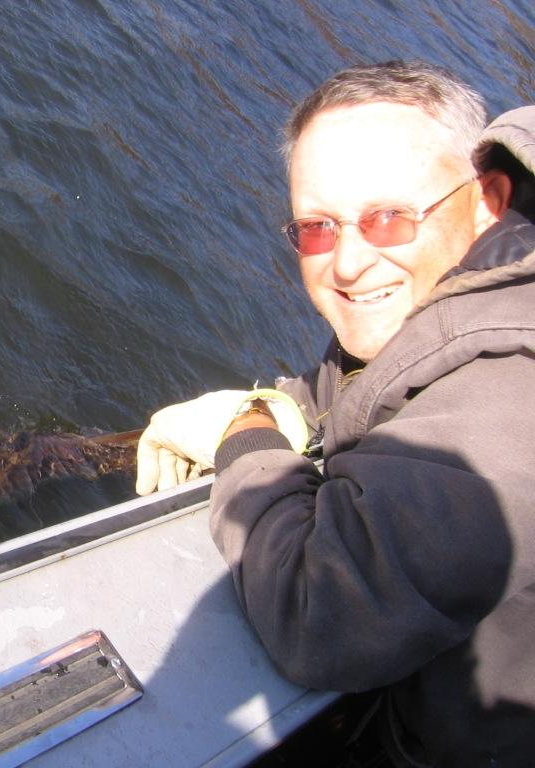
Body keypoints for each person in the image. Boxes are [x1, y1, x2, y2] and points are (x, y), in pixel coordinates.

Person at [135, 60, 535, 767]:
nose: (348, 263)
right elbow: (344, 392)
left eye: (389, 217)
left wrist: (242, 435)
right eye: (318, 228)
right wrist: (271, 404)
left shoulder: (517, 390)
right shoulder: (453, 294)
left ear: (488, 200)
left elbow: (322, 616)